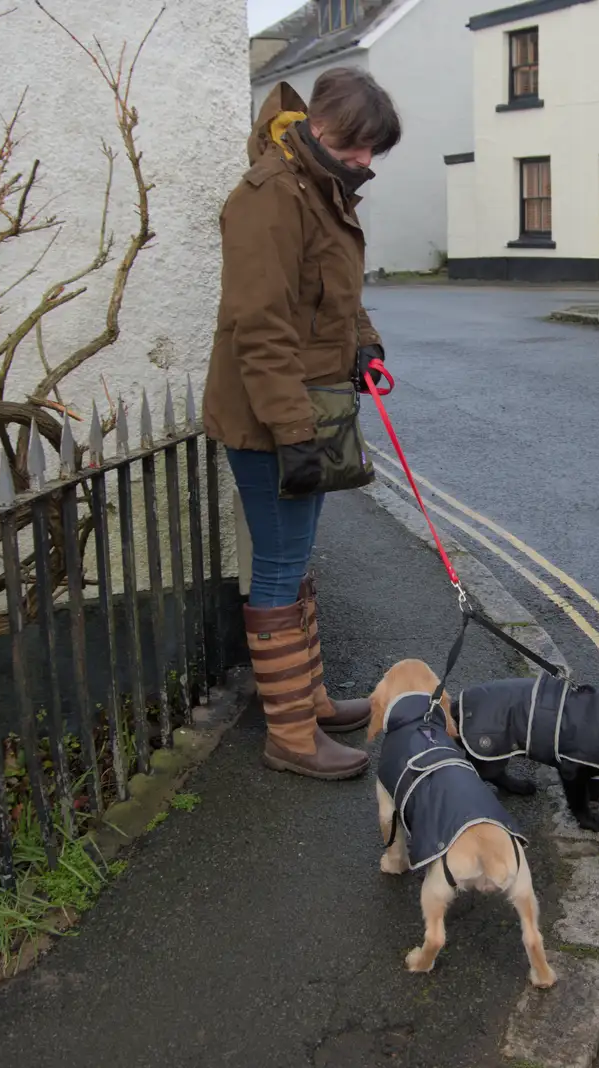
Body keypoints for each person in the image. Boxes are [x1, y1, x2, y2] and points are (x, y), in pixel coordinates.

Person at [203, 71, 402, 780]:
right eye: (357, 148)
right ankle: (289, 735)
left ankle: (307, 700)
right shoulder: (268, 198)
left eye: (373, 151)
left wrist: (366, 343)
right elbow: (259, 329)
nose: (365, 164)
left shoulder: (316, 189)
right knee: (281, 563)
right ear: (320, 129)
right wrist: (292, 434)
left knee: (296, 556)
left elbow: (338, 294)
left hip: (310, 405)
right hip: (271, 415)